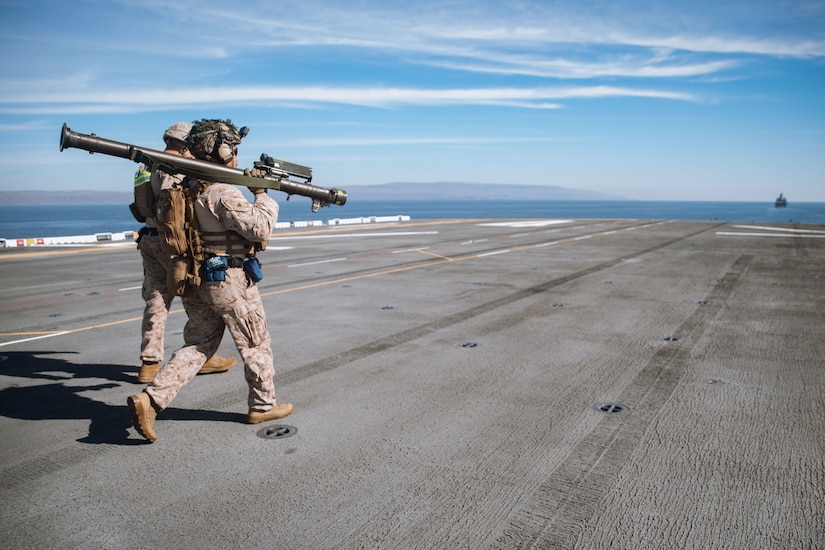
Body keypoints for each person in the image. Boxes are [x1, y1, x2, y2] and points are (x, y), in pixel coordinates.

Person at [128, 119, 293, 443]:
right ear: (219, 148)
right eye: (232, 146)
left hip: (196, 277)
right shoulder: (219, 191)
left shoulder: (183, 185)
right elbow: (259, 229)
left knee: (199, 344)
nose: (235, 153)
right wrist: (262, 194)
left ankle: (151, 399)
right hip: (229, 280)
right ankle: (263, 404)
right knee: (256, 342)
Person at [133, 122, 237, 383]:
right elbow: (176, 205)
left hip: (149, 237)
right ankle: (202, 352)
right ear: (183, 143)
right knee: (195, 298)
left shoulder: (150, 165)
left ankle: (149, 362)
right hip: (170, 243)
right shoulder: (173, 167)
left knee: (156, 300)